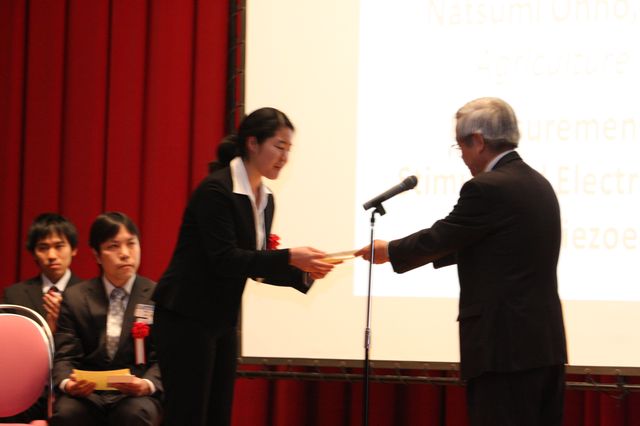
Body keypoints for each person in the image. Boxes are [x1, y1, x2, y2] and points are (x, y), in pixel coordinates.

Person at [356, 97, 567, 426]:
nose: (463, 157)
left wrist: (391, 251)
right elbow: (495, 244)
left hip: (503, 352)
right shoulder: (539, 183)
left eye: (461, 146)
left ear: (478, 141)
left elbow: (444, 236)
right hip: (544, 347)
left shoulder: (487, 188)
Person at [152, 107, 335, 426]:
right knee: (188, 416)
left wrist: (304, 273)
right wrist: (291, 256)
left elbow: (254, 264)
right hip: (185, 316)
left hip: (222, 320)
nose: (285, 157)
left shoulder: (266, 199)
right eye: (279, 146)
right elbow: (225, 259)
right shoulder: (216, 190)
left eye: (289, 149)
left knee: (218, 415)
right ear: (252, 143)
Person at [51, 212, 162, 426]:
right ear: (97, 255)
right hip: (88, 394)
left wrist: (146, 384)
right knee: (67, 415)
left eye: (131, 244)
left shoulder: (157, 296)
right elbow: (64, 357)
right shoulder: (75, 298)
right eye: (113, 246)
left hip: (135, 394)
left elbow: (164, 357)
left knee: (134, 415)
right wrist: (68, 384)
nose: (125, 254)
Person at [0, 213, 82, 423]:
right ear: (34, 253)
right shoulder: (15, 295)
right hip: (23, 390)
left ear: (73, 249)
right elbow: (8, 352)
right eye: (43, 248)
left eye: (59, 246)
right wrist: (47, 333)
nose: (52, 255)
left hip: (73, 391)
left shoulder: (88, 295)